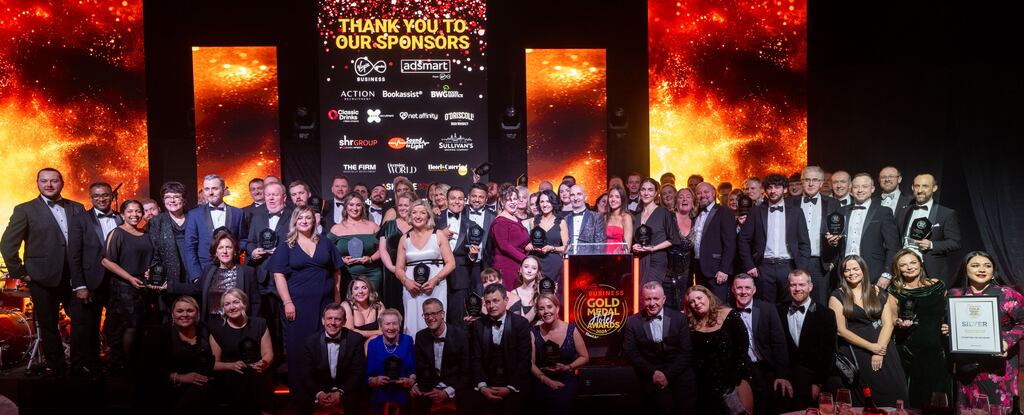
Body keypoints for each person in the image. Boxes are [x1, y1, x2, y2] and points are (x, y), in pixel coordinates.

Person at [1, 168, 86, 376]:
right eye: (44, 181)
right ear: (37, 183)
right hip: (41, 277)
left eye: (54, 181)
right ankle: (57, 367)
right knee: (48, 325)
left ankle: (79, 363)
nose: (49, 185)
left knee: (83, 321)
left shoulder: (77, 208)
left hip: (75, 277)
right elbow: (7, 244)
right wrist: (21, 273)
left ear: (62, 182)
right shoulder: (25, 209)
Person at [269, 205, 344, 395]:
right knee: (299, 348)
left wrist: (336, 299)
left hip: (325, 305)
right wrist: (287, 302)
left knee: (324, 348)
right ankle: (301, 392)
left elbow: (337, 271)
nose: (304, 221)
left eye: (308, 218)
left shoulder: (325, 243)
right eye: (300, 217)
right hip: (298, 306)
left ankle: (325, 389)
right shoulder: (287, 246)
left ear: (314, 220)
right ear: (294, 221)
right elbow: (278, 275)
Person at [944, 251, 1024, 411]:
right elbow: (951, 324)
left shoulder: (1007, 294)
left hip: (998, 367)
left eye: (987, 266)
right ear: (965, 269)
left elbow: (1022, 322)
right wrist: (948, 329)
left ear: (993, 270)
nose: (982, 269)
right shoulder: (955, 295)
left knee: (996, 409)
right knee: (967, 410)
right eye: (975, 265)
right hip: (966, 367)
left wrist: (1007, 342)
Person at [829, 255, 908, 407]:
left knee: (895, 392)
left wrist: (879, 350)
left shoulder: (877, 291)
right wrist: (871, 347)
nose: (852, 273)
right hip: (857, 352)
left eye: (855, 269)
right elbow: (841, 331)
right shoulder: (837, 295)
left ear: (863, 270)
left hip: (884, 349)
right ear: (842, 273)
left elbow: (888, 324)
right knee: (867, 398)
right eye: (847, 270)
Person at [67, 181, 122, 378]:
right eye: (96, 196)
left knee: (116, 325)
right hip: (90, 282)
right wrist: (79, 284)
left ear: (112, 196)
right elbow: (74, 255)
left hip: (116, 282)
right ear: (90, 198)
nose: (101, 199)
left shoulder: (121, 218)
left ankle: (112, 362)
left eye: (105, 195)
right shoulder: (80, 219)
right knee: (85, 327)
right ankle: (82, 366)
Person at [622, 281, 697, 414]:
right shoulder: (632, 322)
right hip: (651, 374)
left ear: (664, 300)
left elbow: (686, 353)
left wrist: (667, 374)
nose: (652, 303)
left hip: (678, 373)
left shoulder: (679, 318)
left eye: (656, 298)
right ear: (642, 300)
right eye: (648, 299)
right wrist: (654, 373)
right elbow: (630, 353)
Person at [888, 249, 949, 409]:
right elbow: (892, 316)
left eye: (913, 262)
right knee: (913, 399)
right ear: (897, 269)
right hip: (909, 350)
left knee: (937, 398)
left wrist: (950, 326)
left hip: (936, 349)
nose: (909, 267)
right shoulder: (895, 290)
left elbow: (949, 312)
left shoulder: (937, 285)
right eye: (903, 265)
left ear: (920, 264)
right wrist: (899, 322)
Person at [102, 199, 157, 373]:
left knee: (142, 325)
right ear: (122, 214)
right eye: (130, 211)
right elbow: (106, 261)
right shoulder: (117, 233)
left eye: (138, 211)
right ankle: (126, 364)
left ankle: (137, 363)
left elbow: (149, 258)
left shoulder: (146, 234)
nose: (134, 215)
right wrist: (129, 278)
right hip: (124, 286)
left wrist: (150, 271)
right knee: (130, 325)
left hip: (144, 286)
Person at [738, 173, 811, 303]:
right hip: (763, 267)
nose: (773, 191)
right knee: (765, 308)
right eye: (769, 187)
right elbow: (743, 240)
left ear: (785, 189)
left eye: (777, 187)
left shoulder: (796, 212)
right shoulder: (756, 211)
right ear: (765, 190)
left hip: (788, 266)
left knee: (787, 307)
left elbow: (804, 243)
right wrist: (749, 265)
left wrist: (801, 268)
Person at [683, 285, 753, 414]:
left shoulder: (729, 314)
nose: (696, 303)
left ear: (708, 297)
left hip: (732, 381)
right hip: (704, 384)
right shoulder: (690, 324)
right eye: (691, 302)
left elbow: (742, 346)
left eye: (699, 298)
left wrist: (735, 377)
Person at [139, 296, 214, 413]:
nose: (185, 314)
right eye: (179, 311)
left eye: (190, 311)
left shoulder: (204, 330)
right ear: (172, 314)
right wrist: (180, 378)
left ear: (197, 313)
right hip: (167, 384)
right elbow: (148, 368)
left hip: (199, 382)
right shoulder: (159, 333)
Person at [730, 273, 792, 414]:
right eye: (739, 288)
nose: (744, 291)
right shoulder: (727, 311)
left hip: (765, 366)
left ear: (754, 290)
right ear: (733, 290)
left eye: (747, 288)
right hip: (742, 369)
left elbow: (779, 343)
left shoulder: (767, 309)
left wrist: (782, 374)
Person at [776, 269, 837, 411]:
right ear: (788, 287)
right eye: (793, 285)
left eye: (802, 285)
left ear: (810, 287)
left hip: (812, 379)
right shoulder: (778, 311)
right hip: (786, 377)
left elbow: (829, 352)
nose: (797, 289)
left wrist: (818, 383)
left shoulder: (826, 314)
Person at [243, 180, 290, 358]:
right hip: (261, 276)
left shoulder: (293, 216)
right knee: (264, 323)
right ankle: (268, 361)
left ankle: (287, 363)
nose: (270, 198)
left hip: (285, 277)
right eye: (268, 194)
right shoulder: (257, 217)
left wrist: (284, 250)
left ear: (284, 197)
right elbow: (249, 242)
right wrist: (252, 251)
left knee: (286, 322)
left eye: (275, 194)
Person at [469, 284, 533, 415]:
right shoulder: (478, 325)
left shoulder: (520, 324)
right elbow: (476, 359)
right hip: (487, 383)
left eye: (496, 300)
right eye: (488, 302)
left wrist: (510, 388)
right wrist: (482, 387)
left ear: (506, 301)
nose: (491, 306)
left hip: (513, 384)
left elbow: (524, 360)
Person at [396, 199, 456, 335]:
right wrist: (406, 282)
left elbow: (451, 263)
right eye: (414, 213)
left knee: (436, 322)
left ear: (428, 216)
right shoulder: (404, 238)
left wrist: (435, 280)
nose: (418, 216)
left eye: (422, 213)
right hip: (411, 289)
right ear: (410, 216)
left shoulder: (438, 234)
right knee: (412, 323)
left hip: (436, 286)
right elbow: (398, 268)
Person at [208, 288, 274, 413]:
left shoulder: (259, 324)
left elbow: (268, 353)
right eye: (227, 304)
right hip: (230, 374)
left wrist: (263, 363)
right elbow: (213, 364)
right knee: (244, 375)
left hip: (256, 373)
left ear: (244, 303)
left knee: (253, 374)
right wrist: (231, 366)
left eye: (236, 302)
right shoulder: (217, 330)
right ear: (223, 309)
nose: (232, 307)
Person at [296, 302, 367, 415]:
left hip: (345, 388)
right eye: (329, 318)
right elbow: (306, 374)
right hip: (320, 387)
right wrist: (319, 394)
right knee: (301, 398)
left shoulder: (355, 340)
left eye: (337, 319)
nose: (332, 323)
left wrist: (340, 392)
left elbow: (357, 373)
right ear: (323, 321)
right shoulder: (310, 342)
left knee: (359, 398)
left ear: (344, 322)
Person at [828, 173, 899, 285]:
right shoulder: (842, 212)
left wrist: (887, 274)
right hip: (844, 272)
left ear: (872, 189)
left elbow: (893, 247)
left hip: (873, 272)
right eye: (856, 187)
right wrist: (833, 242)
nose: (860, 190)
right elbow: (838, 244)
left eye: (864, 186)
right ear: (851, 190)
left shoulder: (883, 212)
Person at [786, 166, 841, 305]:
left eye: (815, 180)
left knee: (820, 303)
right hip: (794, 261)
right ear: (801, 181)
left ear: (822, 183)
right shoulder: (789, 203)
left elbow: (838, 234)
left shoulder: (833, 204)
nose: (811, 184)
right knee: (792, 301)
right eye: (807, 180)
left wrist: (833, 261)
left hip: (820, 263)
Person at [894, 173, 962, 285]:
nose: (920, 190)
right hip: (903, 270)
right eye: (917, 186)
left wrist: (931, 245)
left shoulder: (946, 213)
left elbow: (955, 242)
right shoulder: (903, 212)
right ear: (912, 188)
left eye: (925, 186)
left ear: (934, 188)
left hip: (930, 270)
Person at [530, 294, 589, 415]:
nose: (546, 311)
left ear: (557, 308)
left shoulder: (571, 329)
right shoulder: (533, 332)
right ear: (538, 312)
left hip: (566, 380)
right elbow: (530, 363)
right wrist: (546, 381)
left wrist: (568, 367)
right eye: (542, 308)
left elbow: (585, 357)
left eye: (549, 307)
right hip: (542, 380)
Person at [183, 174, 246, 285]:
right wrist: (196, 276)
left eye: (215, 188)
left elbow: (243, 240)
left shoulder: (238, 213)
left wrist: (233, 256)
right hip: (204, 272)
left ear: (224, 190)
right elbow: (189, 247)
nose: (210, 192)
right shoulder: (194, 215)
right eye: (207, 189)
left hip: (232, 272)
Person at [412, 298, 471, 415]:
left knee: (467, 400)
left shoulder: (461, 335)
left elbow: (466, 371)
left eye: (434, 313)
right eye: (426, 314)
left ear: (443, 314)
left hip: (454, 387)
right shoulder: (421, 336)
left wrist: (446, 392)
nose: (430, 318)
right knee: (416, 400)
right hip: (430, 386)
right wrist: (416, 384)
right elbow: (420, 366)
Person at [150, 181, 200, 312]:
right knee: (169, 315)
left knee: (194, 311)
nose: (172, 200)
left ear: (184, 200)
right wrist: (157, 278)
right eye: (167, 197)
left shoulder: (195, 217)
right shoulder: (157, 222)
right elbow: (154, 253)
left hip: (194, 273)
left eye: (176, 196)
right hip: (168, 277)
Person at [436, 186, 477, 326]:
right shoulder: (434, 221)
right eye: (453, 198)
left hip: (461, 276)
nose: (457, 202)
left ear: (465, 201)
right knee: (437, 314)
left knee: (459, 318)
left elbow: (473, 255)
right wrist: (441, 235)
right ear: (446, 201)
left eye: (460, 199)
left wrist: (472, 255)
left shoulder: (471, 224)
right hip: (438, 273)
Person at [327, 191, 383, 293]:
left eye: (358, 205)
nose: (355, 208)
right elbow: (327, 251)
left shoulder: (373, 227)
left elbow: (383, 250)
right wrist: (341, 260)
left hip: (372, 274)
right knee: (349, 306)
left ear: (363, 207)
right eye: (351, 204)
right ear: (346, 207)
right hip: (346, 275)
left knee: (372, 304)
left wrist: (370, 259)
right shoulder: (336, 229)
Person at [199, 232, 260, 322]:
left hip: (239, 324)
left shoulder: (248, 272)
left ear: (235, 251)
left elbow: (256, 303)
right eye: (220, 248)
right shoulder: (208, 270)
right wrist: (171, 286)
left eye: (228, 247)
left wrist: (253, 326)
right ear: (216, 252)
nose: (225, 251)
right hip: (213, 324)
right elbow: (196, 289)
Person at [692, 182, 737, 302]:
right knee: (704, 306)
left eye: (706, 192)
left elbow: (730, 243)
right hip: (699, 269)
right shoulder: (695, 214)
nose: (702, 195)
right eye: (699, 193)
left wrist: (724, 269)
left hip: (717, 271)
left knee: (719, 307)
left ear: (713, 193)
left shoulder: (724, 212)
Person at [366, 308, 417, 414]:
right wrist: (374, 381)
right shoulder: (373, 344)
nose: (391, 327)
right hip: (381, 389)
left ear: (400, 325)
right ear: (381, 326)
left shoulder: (407, 340)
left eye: (395, 324)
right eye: (387, 324)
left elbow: (412, 369)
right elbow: (368, 376)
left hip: (403, 388)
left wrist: (411, 381)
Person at [379, 191, 415, 314]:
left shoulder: (418, 225)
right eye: (400, 205)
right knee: (393, 306)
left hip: (411, 271)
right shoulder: (388, 225)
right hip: (391, 272)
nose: (403, 208)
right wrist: (392, 268)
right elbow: (382, 249)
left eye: (406, 205)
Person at [633, 178, 674, 285]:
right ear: (640, 192)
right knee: (638, 295)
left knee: (651, 293)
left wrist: (653, 248)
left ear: (656, 193)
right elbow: (635, 239)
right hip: (639, 260)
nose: (646, 193)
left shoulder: (663, 213)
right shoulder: (636, 216)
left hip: (657, 260)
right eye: (643, 189)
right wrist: (634, 246)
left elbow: (672, 239)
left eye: (650, 190)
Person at [489, 186, 529, 289]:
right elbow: (504, 245)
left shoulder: (516, 219)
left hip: (518, 265)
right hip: (506, 266)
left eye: (515, 199)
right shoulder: (500, 222)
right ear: (502, 202)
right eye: (508, 200)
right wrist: (524, 258)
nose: (513, 202)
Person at [524, 189, 567, 281]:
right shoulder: (533, 221)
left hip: (554, 264)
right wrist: (530, 246)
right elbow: (533, 243)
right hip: (537, 263)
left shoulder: (561, 222)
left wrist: (552, 248)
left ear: (553, 202)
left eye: (548, 201)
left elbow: (566, 248)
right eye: (542, 201)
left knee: (550, 293)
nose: (544, 204)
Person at [666, 187, 696, 309]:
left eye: (688, 197)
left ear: (693, 202)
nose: (684, 199)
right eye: (681, 197)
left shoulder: (697, 220)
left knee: (684, 307)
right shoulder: (668, 218)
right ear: (676, 201)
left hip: (687, 274)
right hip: (667, 273)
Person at [567, 184, 607, 255]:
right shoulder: (565, 219)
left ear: (585, 197)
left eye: (579, 194)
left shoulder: (596, 217)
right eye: (572, 195)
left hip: (589, 261)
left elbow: (600, 246)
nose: (575, 198)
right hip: (568, 260)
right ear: (569, 198)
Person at [507, 256, 542, 323]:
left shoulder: (541, 291)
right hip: (524, 332)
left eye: (534, 268)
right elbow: (523, 322)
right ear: (520, 270)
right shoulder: (514, 293)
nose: (529, 271)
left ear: (538, 272)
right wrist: (536, 304)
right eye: (526, 267)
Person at [604, 185, 633, 254]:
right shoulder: (605, 217)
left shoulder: (626, 217)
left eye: (617, 197)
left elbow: (627, 246)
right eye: (611, 196)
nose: (613, 199)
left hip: (619, 257)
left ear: (622, 199)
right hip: (603, 256)